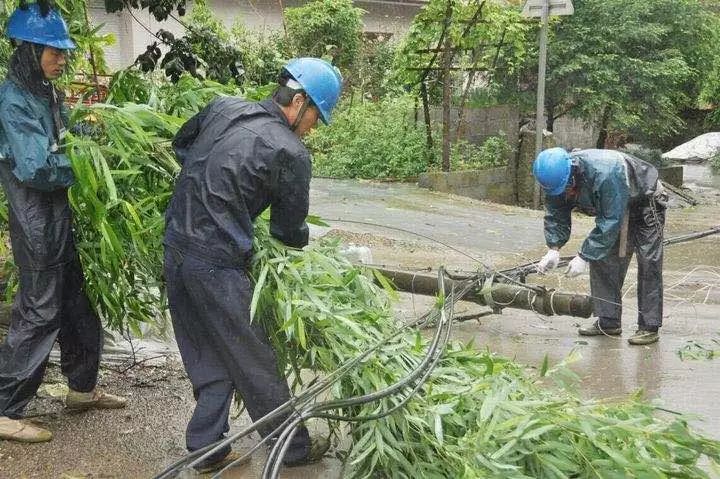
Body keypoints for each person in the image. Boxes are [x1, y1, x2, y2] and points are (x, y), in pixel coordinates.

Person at [163, 57, 342, 473]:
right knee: (253, 357)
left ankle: (206, 446)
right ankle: (293, 448)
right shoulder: (290, 151)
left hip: (174, 248)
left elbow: (182, 145)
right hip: (216, 264)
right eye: (316, 116)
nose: (313, 127)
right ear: (298, 102)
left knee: (207, 350)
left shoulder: (223, 105)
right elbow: (287, 230)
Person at [0, 4, 126, 443]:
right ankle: (5, 409)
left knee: (75, 303)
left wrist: (94, 135)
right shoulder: (13, 100)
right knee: (38, 313)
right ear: (29, 50)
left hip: (57, 216)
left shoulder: (46, 93)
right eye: (54, 51)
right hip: (35, 220)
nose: (63, 59)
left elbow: (65, 138)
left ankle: (81, 388)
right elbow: (36, 167)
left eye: (63, 52)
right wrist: (85, 165)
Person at [533, 147, 667, 345]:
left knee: (648, 262)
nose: (564, 192)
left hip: (645, 201)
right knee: (603, 260)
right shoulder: (554, 179)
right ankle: (609, 321)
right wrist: (554, 248)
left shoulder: (605, 172)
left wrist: (584, 255)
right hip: (614, 205)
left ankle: (649, 326)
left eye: (566, 187)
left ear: (573, 171)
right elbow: (556, 213)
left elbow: (610, 220)